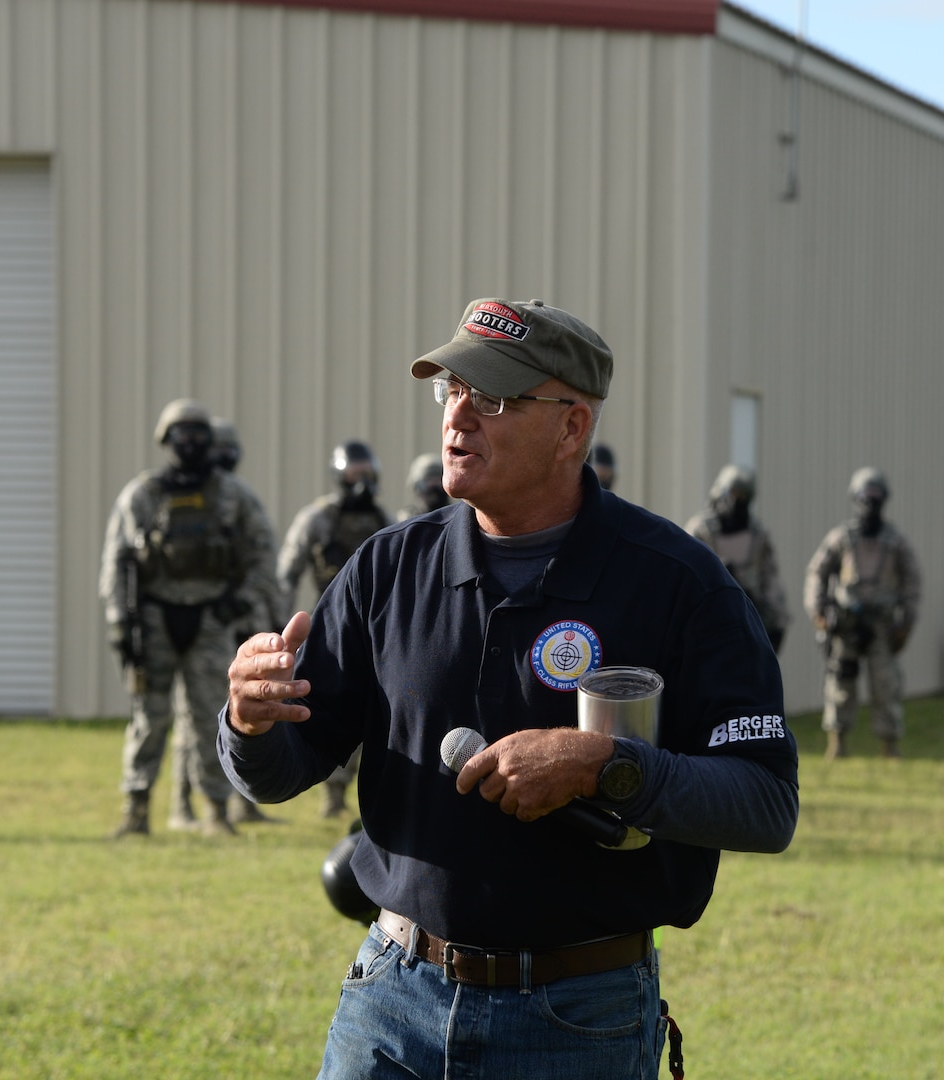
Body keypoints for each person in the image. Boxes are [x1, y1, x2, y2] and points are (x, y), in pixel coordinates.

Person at [221, 297, 799, 1080]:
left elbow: (765, 804)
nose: (458, 419)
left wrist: (606, 765)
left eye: (492, 398)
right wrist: (248, 723)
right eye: (451, 391)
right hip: (392, 996)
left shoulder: (678, 586)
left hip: (578, 1016)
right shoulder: (388, 571)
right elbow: (286, 768)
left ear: (572, 428)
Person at [99, 399, 279, 838]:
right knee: (149, 718)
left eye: (199, 434)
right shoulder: (143, 494)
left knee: (210, 718)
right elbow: (116, 562)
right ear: (166, 440)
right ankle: (136, 811)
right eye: (182, 434)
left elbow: (261, 552)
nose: (192, 443)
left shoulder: (233, 495)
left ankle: (216, 811)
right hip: (156, 620)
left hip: (210, 619)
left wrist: (239, 603)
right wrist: (121, 626)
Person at [276, 440, 392, 817]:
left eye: (368, 473)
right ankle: (332, 797)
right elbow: (287, 573)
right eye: (355, 474)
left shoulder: (382, 521)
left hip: (378, 630)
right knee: (327, 708)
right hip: (329, 627)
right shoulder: (319, 517)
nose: (364, 482)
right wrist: (279, 628)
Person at [804, 466, 922, 760]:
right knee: (840, 683)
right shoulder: (842, 537)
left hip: (882, 623)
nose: (870, 503)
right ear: (855, 499)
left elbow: (912, 581)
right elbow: (817, 572)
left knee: (886, 684)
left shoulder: (896, 541)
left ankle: (890, 745)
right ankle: (837, 743)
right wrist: (819, 610)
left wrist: (907, 620)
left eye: (876, 497)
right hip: (846, 623)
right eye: (865, 497)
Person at [685, 465, 790, 651]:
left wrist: (777, 623)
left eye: (743, 496)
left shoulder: (758, 534)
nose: (737, 501)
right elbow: (685, 574)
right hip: (707, 618)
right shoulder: (700, 530)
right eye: (733, 494)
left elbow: (771, 579)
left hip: (748, 618)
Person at [396, 452, 451, 521]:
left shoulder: (457, 518)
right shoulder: (406, 521)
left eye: (438, 480)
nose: (434, 485)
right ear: (416, 486)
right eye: (428, 480)